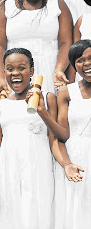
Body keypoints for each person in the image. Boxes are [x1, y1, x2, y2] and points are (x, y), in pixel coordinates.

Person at [0, 48, 61, 228]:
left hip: (38, 167)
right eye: (9, 69)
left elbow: (57, 137)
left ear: (32, 71)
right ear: (3, 72)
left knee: (37, 212)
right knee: (11, 213)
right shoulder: (0, 105)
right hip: (8, 168)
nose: (15, 73)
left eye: (22, 68)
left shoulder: (46, 99)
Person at [0, 0, 73, 94]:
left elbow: (66, 43)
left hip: (50, 68)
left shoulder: (58, 4)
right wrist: (1, 77)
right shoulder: (5, 6)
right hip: (14, 71)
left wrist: (59, 69)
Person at [52, 40, 91, 228]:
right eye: (80, 60)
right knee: (74, 213)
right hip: (75, 158)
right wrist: (66, 164)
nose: (87, 64)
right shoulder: (67, 92)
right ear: (74, 65)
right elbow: (60, 137)